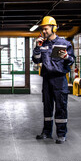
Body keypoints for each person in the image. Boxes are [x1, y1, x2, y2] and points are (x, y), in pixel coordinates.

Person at [32, 16, 75, 144]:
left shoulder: (64, 43)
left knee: (61, 107)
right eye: (42, 29)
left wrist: (67, 56)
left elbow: (72, 61)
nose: (43, 31)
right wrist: (37, 47)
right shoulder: (42, 44)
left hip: (59, 80)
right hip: (47, 79)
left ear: (53, 28)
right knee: (47, 107)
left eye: (45, 29)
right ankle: (46, 132)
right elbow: (36, 60)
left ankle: (61, 134)